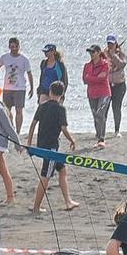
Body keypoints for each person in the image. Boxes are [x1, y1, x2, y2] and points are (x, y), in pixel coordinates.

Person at [26, 81, 80, 213]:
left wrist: (29, 143)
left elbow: (33, 125)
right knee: (46, 175)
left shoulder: (42, 106)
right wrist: (72, 140)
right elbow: (63, 128)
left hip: (43, 145)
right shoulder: (60, 109)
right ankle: (36, 207)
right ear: (62, 95)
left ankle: (68, 201)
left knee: (62, 170)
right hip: (51, 149)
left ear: (50, 92)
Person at [0, 38, 32, 133]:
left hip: (20, 88)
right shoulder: (5, 57)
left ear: (19, 46)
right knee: (7, 110)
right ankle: (10, 128)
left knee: (19, 110)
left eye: (16, 47)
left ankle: (18, 131)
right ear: (9, 47)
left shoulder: (24, 59)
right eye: (12, 47)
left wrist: (32, 88)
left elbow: (29, 73)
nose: (14, 49)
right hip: (7, 88)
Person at [81, 45, 111, 146]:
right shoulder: (87, 65)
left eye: (93, 52)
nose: (91, 54)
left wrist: (91, 78)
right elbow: (85, 80)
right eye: (90, 52)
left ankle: (101, 138)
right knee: (95, 116)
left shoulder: (105, 64)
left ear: (98, 52)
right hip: (91, 93)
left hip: (104, 93)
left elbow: (102, 78)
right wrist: (94, 78)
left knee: (100, 114)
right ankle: (99, 136)